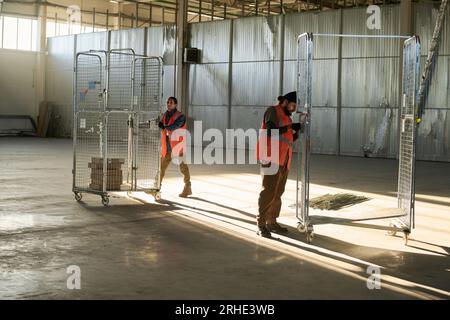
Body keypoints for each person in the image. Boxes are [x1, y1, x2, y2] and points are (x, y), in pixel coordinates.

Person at [256, 92, 303, 238]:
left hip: (283, 160)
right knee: (268, 191)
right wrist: (290, 127)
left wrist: (297, 132)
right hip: (270, 158)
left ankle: (272, 221)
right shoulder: (273, 111)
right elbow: (271, 131)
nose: (294, 109)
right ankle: (261, 223)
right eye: (293, 105)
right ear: (285, 101)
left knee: (278, 193)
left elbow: (286, 139)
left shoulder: (287, 117)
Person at [158, 96, 192, 198]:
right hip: (167, 145)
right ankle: (157, 187)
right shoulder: (164, 115)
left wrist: (164, 126)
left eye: (171, 102)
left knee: (183, 167)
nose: (169, 104)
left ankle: (188, 187)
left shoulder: (180, 116)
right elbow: (162, 125)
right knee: (161, 167)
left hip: (178, 145)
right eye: (168, 102)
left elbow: (175, 126)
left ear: (175, 104)